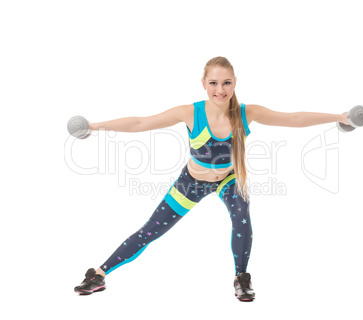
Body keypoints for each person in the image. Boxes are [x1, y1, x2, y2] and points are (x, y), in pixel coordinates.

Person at [74, 56, 349, 301]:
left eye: (227, 83)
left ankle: (241, 278)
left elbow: (293, 118)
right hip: (192, 182)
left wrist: (340, 117)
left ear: (235, 82)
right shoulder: (190, 112)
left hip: (229, 178)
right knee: (151, 230)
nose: (221, 90)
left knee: (242, 213)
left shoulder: (245, 113)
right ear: (204, 83)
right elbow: (141, 123)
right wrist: (94, 127)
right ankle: (99, 274)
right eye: (214, 83)